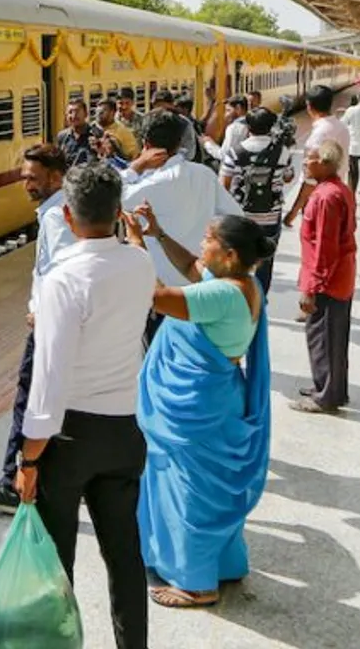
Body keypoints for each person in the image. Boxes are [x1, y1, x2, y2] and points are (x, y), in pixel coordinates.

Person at [15, 163, 155, 649]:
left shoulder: (62, 279)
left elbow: (49, 382)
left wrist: (29, 457)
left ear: (68, 217)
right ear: (117, 213)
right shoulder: (141, 265)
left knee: (59, 566)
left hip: (69, 438)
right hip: (125, 433)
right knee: (125, 555)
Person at [123, 209, 272, 609]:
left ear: (228, 254)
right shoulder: (242, 283)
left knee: (190, 492)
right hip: (216, 399)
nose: (202, 243)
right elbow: (191, 266)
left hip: (196, 406)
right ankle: (220, 564)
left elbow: (155, 298)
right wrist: (159, 233)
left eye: (208, 237)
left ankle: (197, 584)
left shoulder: (220, 294)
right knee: (205, 490)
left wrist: (138, 245)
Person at [0, 144, 73, 512]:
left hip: (48, 325)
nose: (26, 185)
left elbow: (62, 270)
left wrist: (43, 309)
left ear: (55, 176)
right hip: (53, 320)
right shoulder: (58, 210)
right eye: (24, 178)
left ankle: (12, 483)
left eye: (33, 178)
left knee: (27, 398)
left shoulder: (54, 217)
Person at [119, 109, 243, 346]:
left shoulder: (155, 182)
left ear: (146, 145)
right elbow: (236, 216)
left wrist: (136, 166)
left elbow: (113, 197)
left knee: (161, 358)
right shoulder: (204, 174)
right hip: (200, 284)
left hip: (162, 295)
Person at [291, 141, 357, 414]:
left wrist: (312, 287)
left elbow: (325, 246)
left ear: (326, 163)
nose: (305, 162)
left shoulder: (325, 197)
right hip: (340, 274)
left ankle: (326, 397)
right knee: (335, 337)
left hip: (328, 279)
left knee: (323, 336)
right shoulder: (337, 189)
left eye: (310, 159)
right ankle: (332, 387)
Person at [220, 107, 294, 294]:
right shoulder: (282, 151)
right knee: (265, 260)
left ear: (248, 127)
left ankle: (239, 295)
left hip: (241, 216)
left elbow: (224, 184)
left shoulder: (235, 152)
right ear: (271, 127)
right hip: (270, 216)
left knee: (238, 259)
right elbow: (288, 177)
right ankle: (260, 298)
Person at [283, 85, 350, 228]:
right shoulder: (342, 127)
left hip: (318, 200)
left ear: (309, 106)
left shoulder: (320, 133)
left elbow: (311, 177)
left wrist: (293, 212)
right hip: (335, 193)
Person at [56, 98, 104, 167]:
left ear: (86, 114)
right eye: (70, 112)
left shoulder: (97, 134)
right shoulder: (62, 136)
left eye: (77, 112)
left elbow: (105, 159)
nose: (73, 116)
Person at [96, 97, 139, 161]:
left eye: (103, 110)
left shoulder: (122, 131)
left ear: (112, 112)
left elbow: (134, 156)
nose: (99, 113)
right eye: (98, 110)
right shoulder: (92, 129)